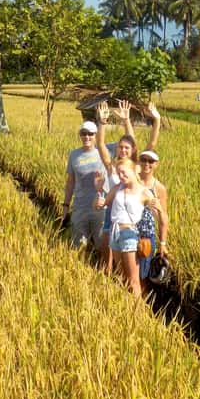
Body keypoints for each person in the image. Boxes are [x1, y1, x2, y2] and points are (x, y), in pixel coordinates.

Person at [94, 99, 161, 271]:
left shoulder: (135, 167)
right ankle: (111, 285)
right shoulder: (112, 167)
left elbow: (150, 145)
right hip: (112, 212)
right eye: (120, 147)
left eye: (126, 148)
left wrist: (130, 120)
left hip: (130, 218)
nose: (123, 150)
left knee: (130, 264)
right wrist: (102, 122)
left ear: (132, 150)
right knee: (106, 254)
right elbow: (100, 145)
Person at [95, 158, 167, 298]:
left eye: (123, 172)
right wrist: (99, 192)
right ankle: (128, 310)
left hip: (129, 235)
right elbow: (100, 205)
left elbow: (162, 220)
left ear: (134, 170)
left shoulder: (144, 192)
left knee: (134, 281)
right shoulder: (117, 188)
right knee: (122, 277)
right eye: (118, 173)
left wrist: (163, 242)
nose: (121, 176)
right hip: (114, 233)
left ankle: (139, 314)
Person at [62, 120, 109, 250]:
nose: (87, 137)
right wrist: (66, 206)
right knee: (78, 247)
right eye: (83, 133)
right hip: (80, 208)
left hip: (100, 209)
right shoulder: (74, 155)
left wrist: (106, 122)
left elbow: (130, 145)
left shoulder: (105, 151)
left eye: (90, 134)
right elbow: (70, 182)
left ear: (96, 136)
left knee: (102, 247)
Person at [136, 149, 168, 293]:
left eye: (151, 161)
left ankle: (140, 307)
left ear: (156, 164)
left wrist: (162, 243)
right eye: (144, 160)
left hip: (146, 237)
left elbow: (163, 218)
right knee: (127, 272)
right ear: (139, 161)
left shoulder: (159, 188)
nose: (147, 164)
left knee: (142, 276)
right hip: (128, 233)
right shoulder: (132, 180)